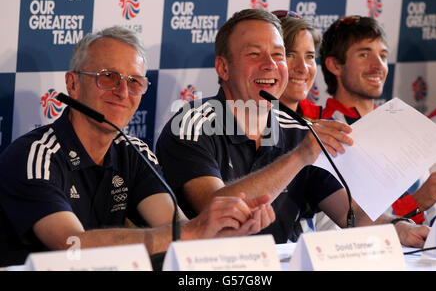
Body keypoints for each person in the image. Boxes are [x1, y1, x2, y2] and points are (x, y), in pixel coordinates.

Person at [0, 25, 276, 267]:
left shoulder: (135, 152)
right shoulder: (35, 155)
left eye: (134, 82)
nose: (122, 92)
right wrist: (189, 233)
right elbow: (73, 246)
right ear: (72, 84)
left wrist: (227, 231)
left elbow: (174, 228)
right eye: (108, 77)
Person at [156, 9, 429, 247]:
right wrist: (299, 156)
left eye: (278, 54)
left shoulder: (298, 131)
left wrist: (400, 229)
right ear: (223, 68)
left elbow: (351, 212)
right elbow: (214, 207)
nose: (271, 65)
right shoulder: (191, 125)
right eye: (254, 54)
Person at [319, 15, 436, 227]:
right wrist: (415, 204)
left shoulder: (402, 126)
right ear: (335, 65)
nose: (377, 66)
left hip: (418, 256)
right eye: (364, 54)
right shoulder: (325, 133)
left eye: (383, 55)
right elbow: (333, 229)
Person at [272, 10, 322, 122]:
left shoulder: (323, 123)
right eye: (289, 55)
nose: (303, 68)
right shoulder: (242, 124)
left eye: (309, 56)